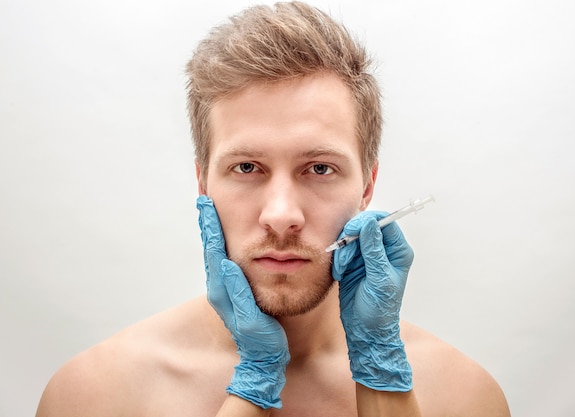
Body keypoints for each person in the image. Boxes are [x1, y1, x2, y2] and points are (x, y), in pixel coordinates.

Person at [35, 2, 510, 416]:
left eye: (319, 169)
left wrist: (378, 368)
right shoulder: (95, 395)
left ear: (368, 185)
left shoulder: (462, 397)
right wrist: (255, 384)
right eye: (246, 167)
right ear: (203, 183)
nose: (281, 215)